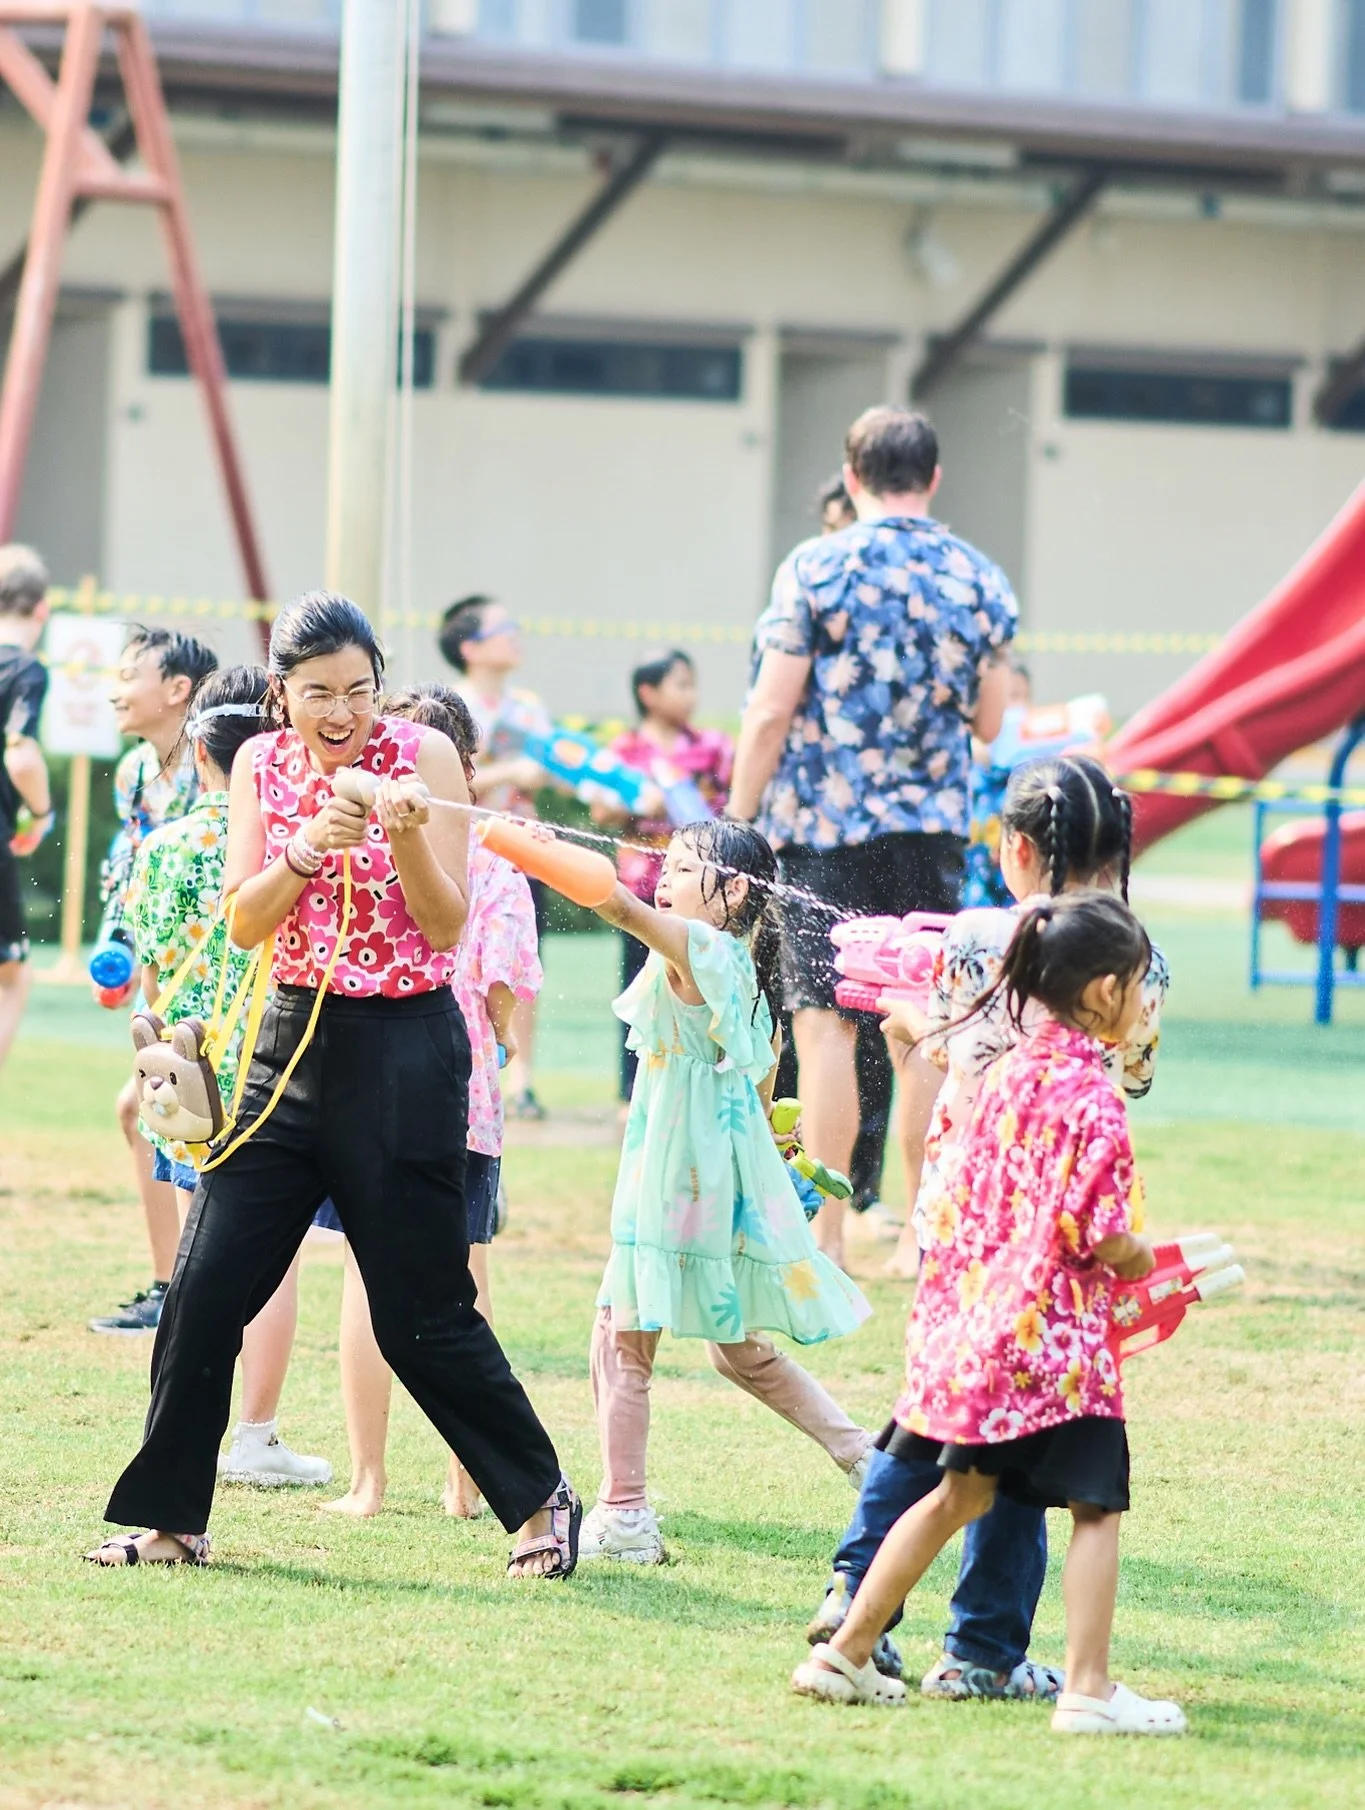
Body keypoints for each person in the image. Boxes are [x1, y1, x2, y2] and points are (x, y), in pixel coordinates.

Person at [86, 592, 580, 1581]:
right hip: (289, 1044)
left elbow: (445, 928)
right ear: (283, 694)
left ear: (380, 687)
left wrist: (403, 836)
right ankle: (170, 1520)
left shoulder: (424, 757)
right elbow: (243, 921)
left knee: (419, 1312)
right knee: (203, 1286)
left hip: (405, 1051)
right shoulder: (263, 765)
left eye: (359, 689)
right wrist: (309, 846)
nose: (342, 711)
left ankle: (540, 1500)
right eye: (318, 693)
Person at [812, 758, 1168, 1702]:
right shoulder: (1135, 956)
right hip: (1056, 1240)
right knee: (1023, 1436)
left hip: (964, 1214)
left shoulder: (972, 934)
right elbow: (1132, 1076)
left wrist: (903, 1015)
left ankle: (854, 1595)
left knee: (934, 1421)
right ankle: (982, 1649)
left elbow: (938, 1042)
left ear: (1013, 848)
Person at [728, 406, 1017, 1269]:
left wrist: (738, 816)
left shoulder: (815, 566)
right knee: (923, 1024)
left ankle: (827, 1235)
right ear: (932, 478)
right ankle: (922, 1233)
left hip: (822, 829)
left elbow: (770, 708)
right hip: (930, 831)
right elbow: (990, 722)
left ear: (851, 477)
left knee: (825, 1028)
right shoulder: (978, 577)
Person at [578, 817, 874, 1564]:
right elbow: (763, 1092)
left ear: (734, 891)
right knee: (737, 1351)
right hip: (714, 1179)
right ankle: (867, 1461)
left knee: (621, 1339)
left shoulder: (700, 945)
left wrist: (538, 852)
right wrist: (778, 1166)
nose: (665, 879)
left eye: (683, 869)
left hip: (674, 1177)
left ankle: (624, 1514)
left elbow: (618, 906)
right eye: (667, 866)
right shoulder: (744, 967)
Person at [325, 681, 542, 1520]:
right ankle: (467, 1481)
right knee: (465, 1284)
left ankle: (367, 1481)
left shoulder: (355, 847)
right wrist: (501, 1040)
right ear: (467, 768)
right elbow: (501, 999)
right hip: (461, 1101)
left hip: (361, 1087)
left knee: (364, 1275)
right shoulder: (497, 865)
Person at [123, 663, 331, 1490]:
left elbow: (149, 974)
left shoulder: (163, 848)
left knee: (196, 1256)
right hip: (272, 1071)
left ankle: (180, 1429)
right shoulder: (293, 845)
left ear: (203, 752)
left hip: (184, 1075)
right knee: (271, 1261)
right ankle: (255, 1434)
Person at [89, 625, 220, 1336]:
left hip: (220, 984)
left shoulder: (215, 766)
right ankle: (175, 1285)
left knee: (160, 1115)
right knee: (147, 1113)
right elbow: (130, 870)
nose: (115, 690)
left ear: (176, 689)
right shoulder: (135, 773)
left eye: (128, 674)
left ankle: (187, 1287)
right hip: (167, 985)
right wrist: (116, 950)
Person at [593, 648, 732, 1104]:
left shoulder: (713, 747)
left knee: (705, 984)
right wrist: (638, 802)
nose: (691, 695)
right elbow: (600, 809)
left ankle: (709, 1080)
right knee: (642, 987)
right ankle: (633, 1093)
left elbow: (733, 806)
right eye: (681, 685)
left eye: (692, 685)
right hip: (642, 893)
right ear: (648, 693)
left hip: (705, 892)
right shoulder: (624, 752)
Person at [438, 594, 553, 1123]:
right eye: (502, 629)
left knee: (520, 959)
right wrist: (508, 771)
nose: (514, 636)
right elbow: (443, 781)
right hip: (465, 853)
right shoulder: (449, 706)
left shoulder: (528, 707)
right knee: (464, 961)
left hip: (522, 853)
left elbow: (550, 767)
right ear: (470, 647)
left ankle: (521, 1073)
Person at [0, 545, 54, 1078]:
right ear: (42, 609)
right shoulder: (24, 669)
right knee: (13, 977)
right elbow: (20, 754)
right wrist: (40, 815)